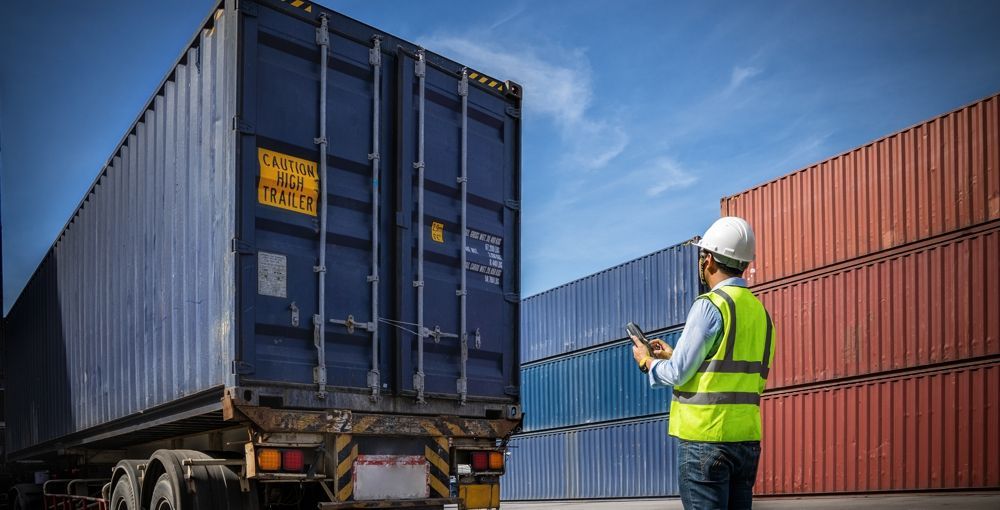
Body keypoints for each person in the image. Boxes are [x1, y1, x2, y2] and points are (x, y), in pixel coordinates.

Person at [630, 216, 775, 510]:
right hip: (746, 442)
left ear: (708, 259)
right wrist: (674, 354)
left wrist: (647, 362)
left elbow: (678, 373)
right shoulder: (761, 314)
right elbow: (742, 374)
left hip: (705, 442)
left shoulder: (710, 305)